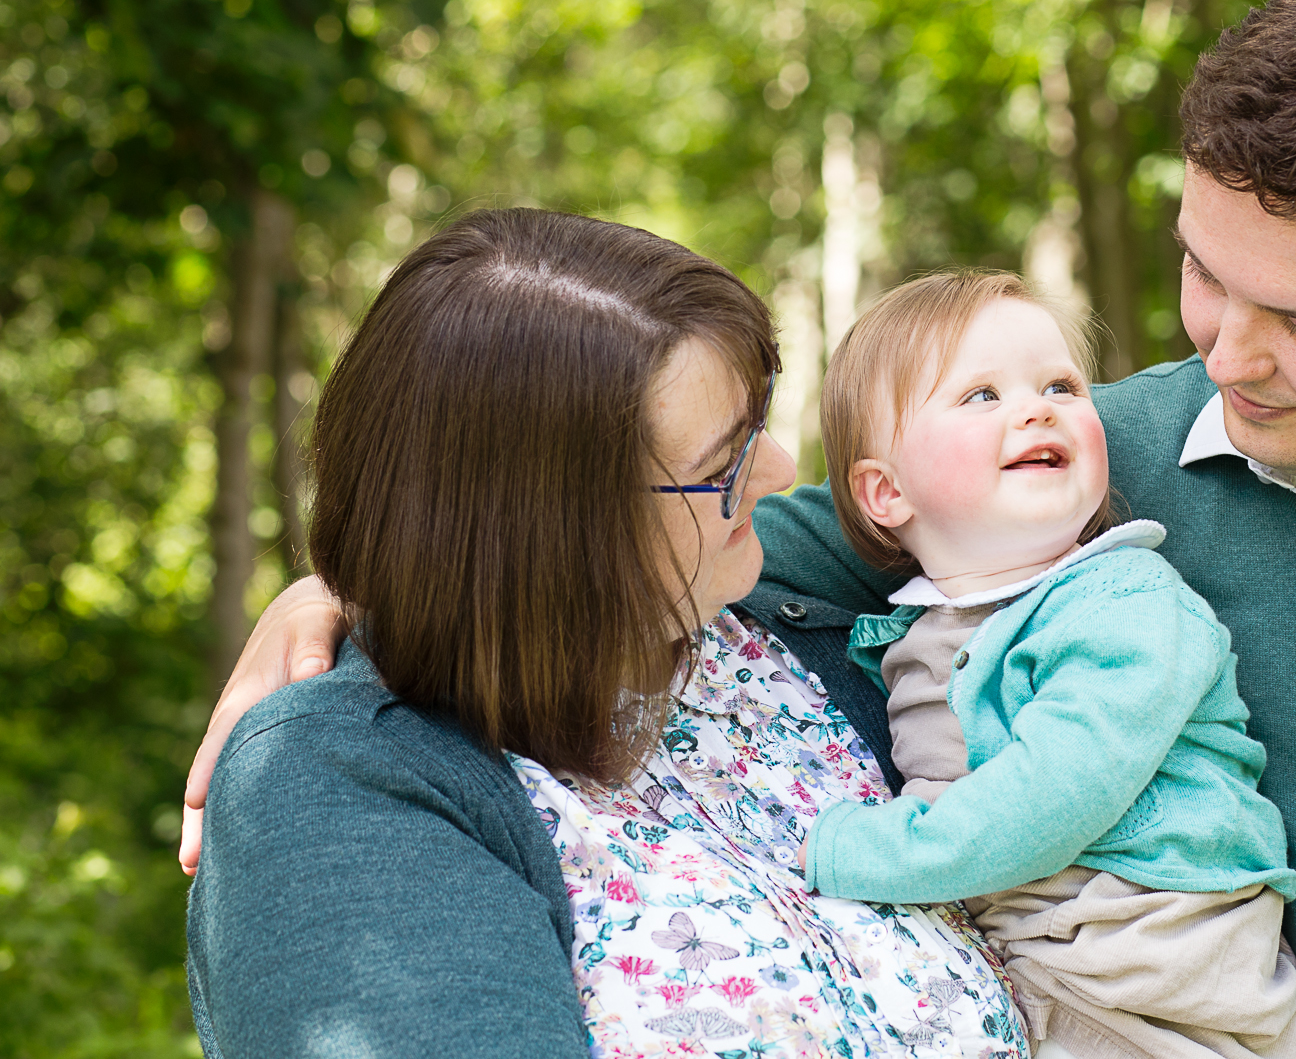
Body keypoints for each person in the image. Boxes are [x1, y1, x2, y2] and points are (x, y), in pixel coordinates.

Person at [189, 0, 1296, 1056]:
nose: (1226, 354)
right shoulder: (1082, 469)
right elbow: (655, 538)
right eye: (1203, 274)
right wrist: (340, 592)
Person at [184, 209, 1030, 1057]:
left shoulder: (790, 615)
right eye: (721, 466)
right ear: (552, 536)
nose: (779, 473)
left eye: (759, 418)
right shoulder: (343, 787)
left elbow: (1060, 440)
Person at [804, 269, 1296, 1059]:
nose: (1037, 408)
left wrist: (845, 850)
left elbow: (1043, 802)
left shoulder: (1127, 603)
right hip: (1034, 957)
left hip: (1149, 973)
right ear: (885, 492)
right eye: (981, 396)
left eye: (1063, 385)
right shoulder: (914, 631)